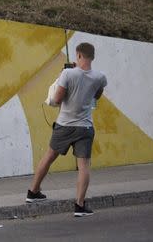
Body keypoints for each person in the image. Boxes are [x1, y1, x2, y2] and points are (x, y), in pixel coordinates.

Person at [26, 42, 107, 217]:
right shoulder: (100, 77)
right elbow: (97, 95)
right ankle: (79, 205)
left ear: (78, 55)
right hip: (85, 127)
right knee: (84, 165)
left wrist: (64, 79)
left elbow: (55, 100)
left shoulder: (68, 73)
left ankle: (33, 192)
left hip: (64, 126)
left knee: (48, 157)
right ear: (92, 57)